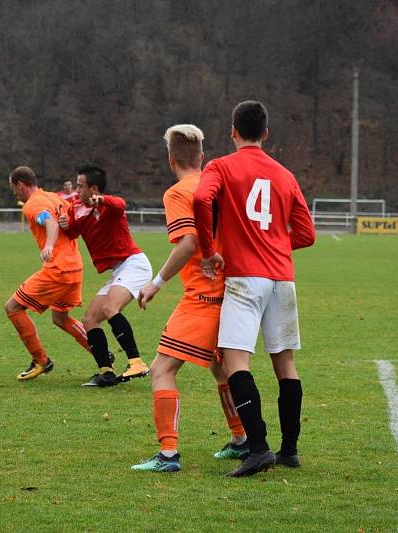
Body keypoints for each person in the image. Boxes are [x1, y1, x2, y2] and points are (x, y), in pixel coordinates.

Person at [193, 101, 316, 477]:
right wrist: (277, 245)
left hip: (246, 278)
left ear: (233, 131)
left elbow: (200, 199)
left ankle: (258, 448)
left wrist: (210, 250)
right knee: (285, 362)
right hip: (282, 278)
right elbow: (307, 235)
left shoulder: (221, 166)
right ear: (266, 133)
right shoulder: (285, 175)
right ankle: (290, 450)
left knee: (235, 362)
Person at [130, 124, 248, 473]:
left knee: (162, 369)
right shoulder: (219, 183)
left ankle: (168, 455)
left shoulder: (178, 193)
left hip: (204, 295)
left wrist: (156, 283)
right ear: (202, 157)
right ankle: (242, 439)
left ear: (170, 160)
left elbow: (189, 241)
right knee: (220, 367)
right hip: (235, 290)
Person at [58, 163, 152, 387]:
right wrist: (64, 226)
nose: (76, 191)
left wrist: (104, 201)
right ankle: (106, 372)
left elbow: (120, 204)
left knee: (111, 308)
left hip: (134, 264)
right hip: (118, 270)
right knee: (90, 320)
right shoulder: (76, 207)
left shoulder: (109, 205)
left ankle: (136, 362)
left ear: (94, 189)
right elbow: (73, 231)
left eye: (81, 186)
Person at [4, 166, 93, 380]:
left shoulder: (33, 205)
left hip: (57, 269)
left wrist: (49, 246)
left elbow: (50, 223)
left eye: (13, 188)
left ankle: (41, 360)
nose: (14, 193)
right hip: (75, 267)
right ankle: (101, 353)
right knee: (61, 318)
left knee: (13, 308)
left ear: (20, 184)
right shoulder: (54, 197)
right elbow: (72, 216)